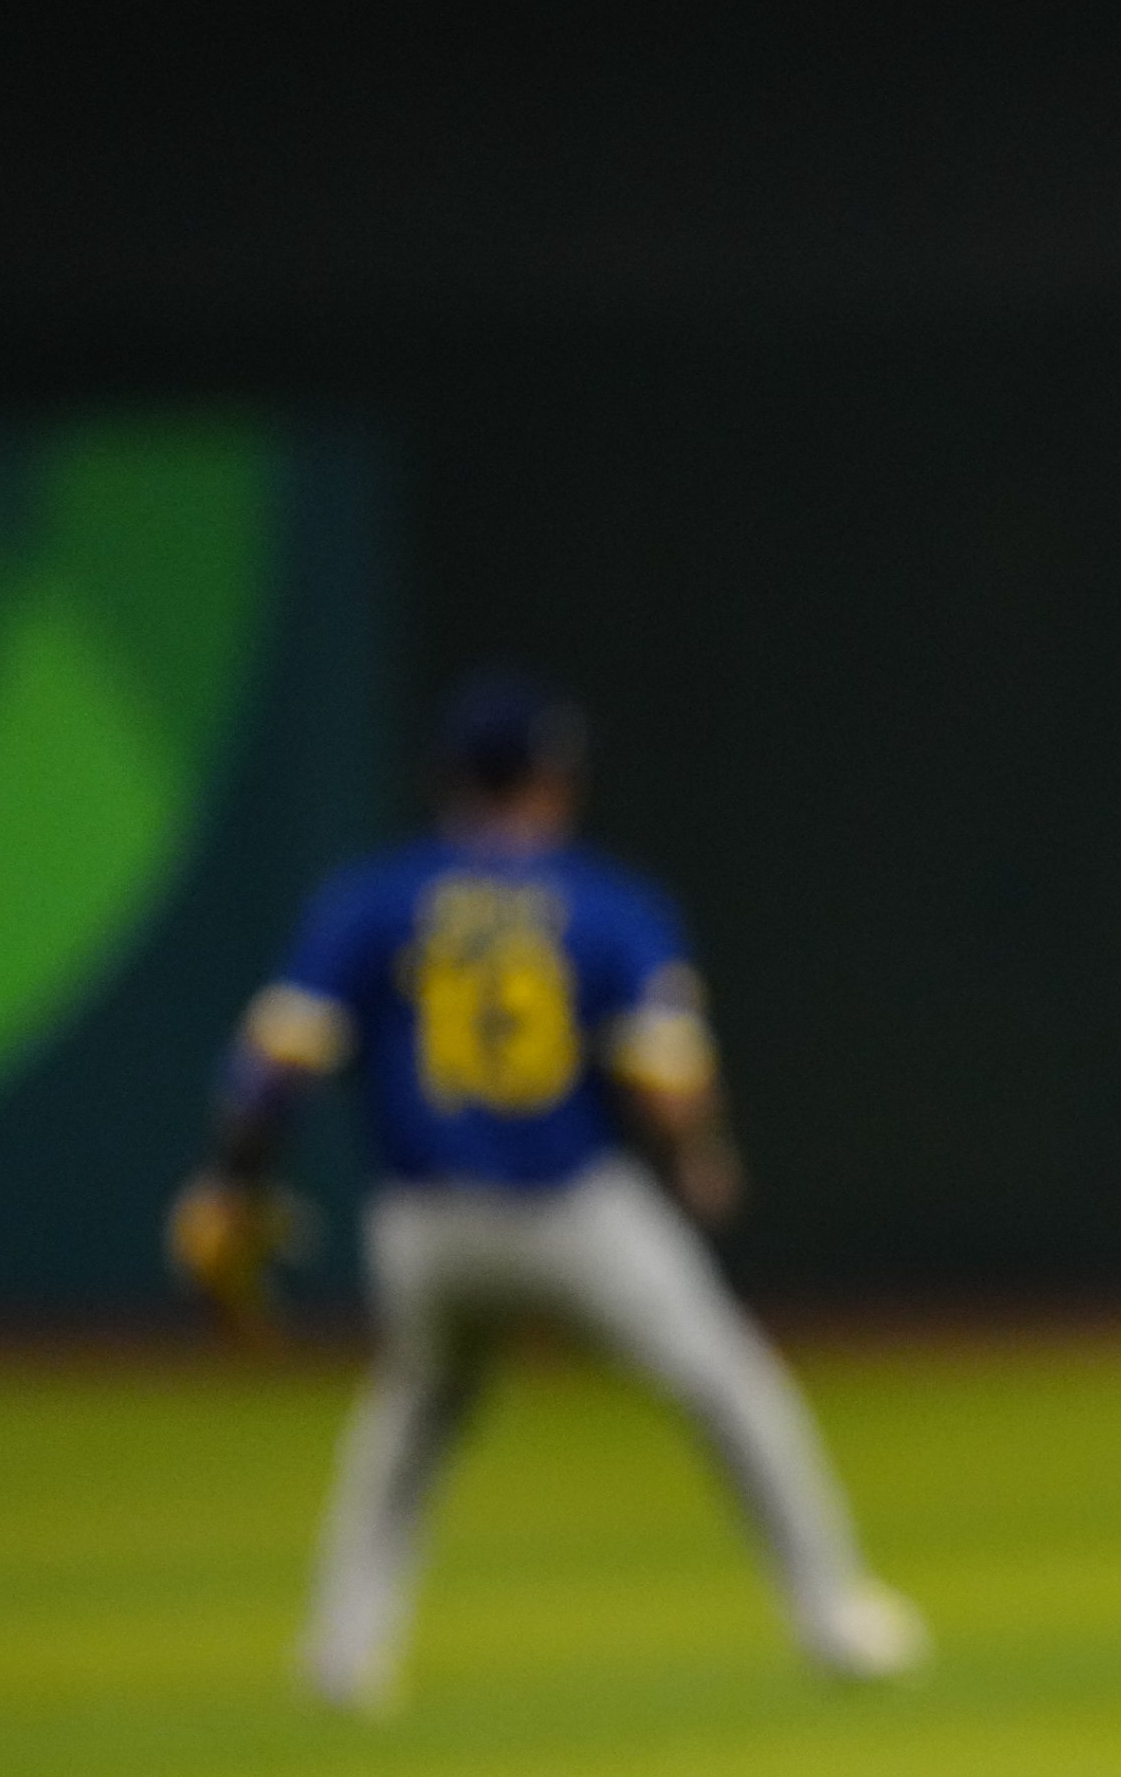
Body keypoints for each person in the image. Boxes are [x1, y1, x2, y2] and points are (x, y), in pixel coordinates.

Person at [168, 669, 926, 1713]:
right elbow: (666, 1079)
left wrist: (230, 1182)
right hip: (571, 1209)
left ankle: (344, 1654)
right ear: (553, 781)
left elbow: (274, 1069)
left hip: (424, 1223)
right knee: (730, 1386)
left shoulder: (373, 898)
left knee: (412, 1418)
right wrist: (700, 1156)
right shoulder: (609, 902)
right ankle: (833, 1613)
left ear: (448, 780)